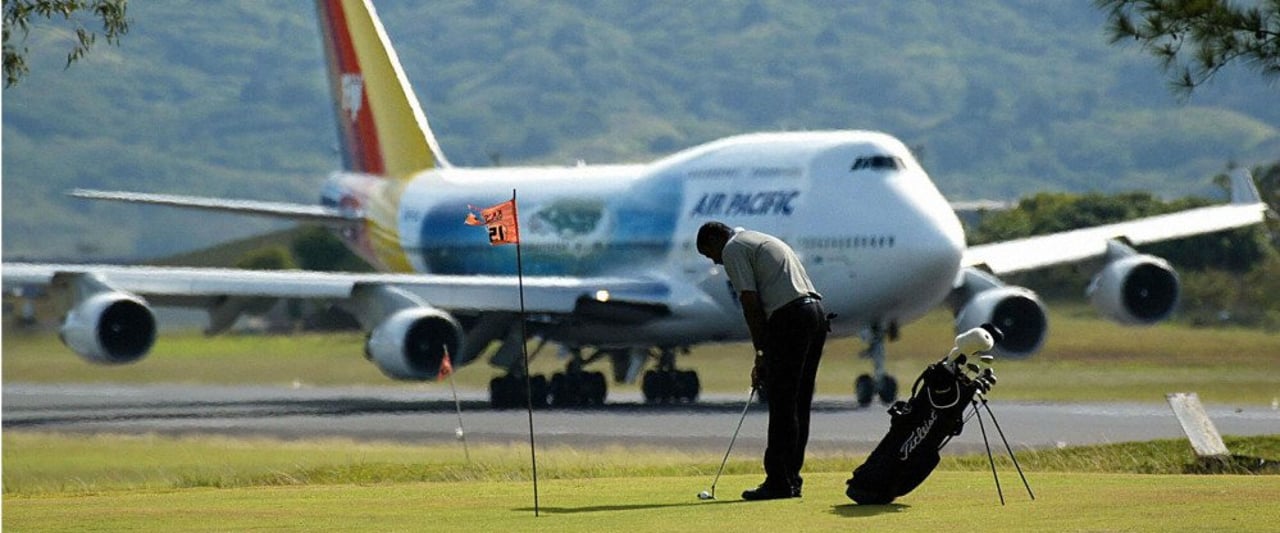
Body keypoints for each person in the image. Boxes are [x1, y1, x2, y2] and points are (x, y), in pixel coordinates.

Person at [696, 221, 829, 501]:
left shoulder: (732, 248)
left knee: (782, 401)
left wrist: (761, 354)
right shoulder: (758, 238)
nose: (716, 262)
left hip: (790, 317)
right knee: (798, 402)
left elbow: (750, 302)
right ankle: (791, 478)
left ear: (715, 239)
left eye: (710, 254)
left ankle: (779, 481)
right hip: (815, 314)